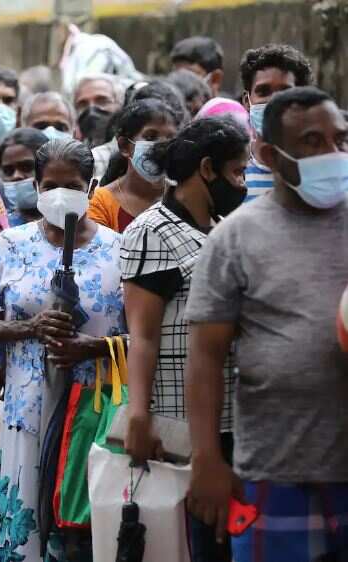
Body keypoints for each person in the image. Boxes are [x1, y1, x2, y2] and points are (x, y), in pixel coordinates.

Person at [185, 87, 348, 562]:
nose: (333, 153)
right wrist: (208, 461)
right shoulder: (235, 237)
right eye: (313, 142)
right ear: (270, 156)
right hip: (277, 472)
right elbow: (206, 358)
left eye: (340, 139)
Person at [0, 138, 126, 561]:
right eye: (49, 185)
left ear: (91, 188)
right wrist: (29, 327)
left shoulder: (119, 250)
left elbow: (144, 336)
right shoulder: (11, 245)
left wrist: (95, 348)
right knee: (26, 522)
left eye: (71, 185)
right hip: (26, 412)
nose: (59, 194)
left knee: (79, 528)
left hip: (93, 413)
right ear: (35, 187)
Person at [120, 116, 250, 562]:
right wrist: (139, 414)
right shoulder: (152, 231)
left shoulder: (221, 226)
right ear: (207, 170)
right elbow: (142, 333)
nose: (244, 183)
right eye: (238, 171)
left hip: (235, 418)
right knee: (202, 542)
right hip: (180, 425)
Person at [89, 99, 179, 232]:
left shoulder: (182, 199)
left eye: (170, 138)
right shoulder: (100, 203)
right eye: (151, 137)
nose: (162, 146)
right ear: (125, 146)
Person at [239, 44, 313, 202]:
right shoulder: (233, 171)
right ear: (247, 101)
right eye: (263, 92)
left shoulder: (319, 170)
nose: (273, 101)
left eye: (285, 92)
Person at [72, 73, 125, 179]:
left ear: (121, 106)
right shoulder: (70, 158)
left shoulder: (131, 155)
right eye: (83, 104)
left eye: (102, 101)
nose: (91, 110)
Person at [0, 127, 49, 226]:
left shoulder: (71, 221)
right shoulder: (1, 228)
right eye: (8, 171)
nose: (16, 176)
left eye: (27, 167)